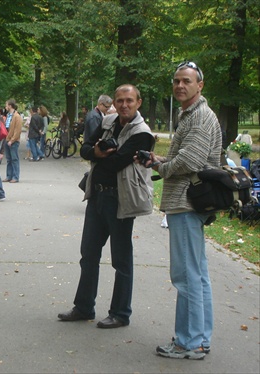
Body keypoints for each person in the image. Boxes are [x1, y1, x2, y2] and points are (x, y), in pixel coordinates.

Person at [141, 62, 221, 360]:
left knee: (186, 276)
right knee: (197, 275)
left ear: (200, 85)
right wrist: (160, 159)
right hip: (187, 201)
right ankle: (201, 337)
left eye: (186, 81)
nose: (179, 86)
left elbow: (191, 161)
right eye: (176, 81)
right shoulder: (190, 114)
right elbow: (186, 157)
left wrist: (161, 166)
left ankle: (189, 342)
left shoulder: (199, 116)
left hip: (187, 202)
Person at [58, 84, 154, 330]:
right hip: (97, 198)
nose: (124, 105)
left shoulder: (143, 133)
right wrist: (97, 152)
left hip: (121, 200)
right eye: (120, 100)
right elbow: (85, 149)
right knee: (88, 254)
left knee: (121, 260)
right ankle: (83, 307)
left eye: (129, 100)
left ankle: (120, 313)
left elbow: (116, 164)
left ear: (138, 102)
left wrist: (98, 154)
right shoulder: (108, 121)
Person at [3, 99, 23, 183]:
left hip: (13, 140)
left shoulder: (16, 116)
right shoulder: (8, 115)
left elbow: (17, 130)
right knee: (9, 159)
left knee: (14, 159)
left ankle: (15, 176)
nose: (5, 107)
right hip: (7, 139)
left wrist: (12, 140)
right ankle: (9, 175)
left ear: (10, 106)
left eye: (6, 105)